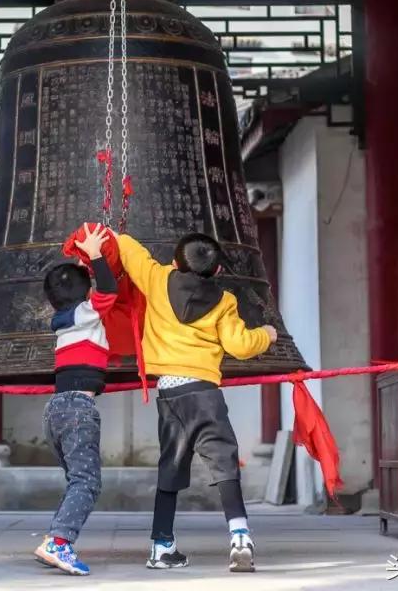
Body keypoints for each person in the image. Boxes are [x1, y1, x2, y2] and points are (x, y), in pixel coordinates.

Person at [115, 231, 278, 573]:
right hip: (204, 394)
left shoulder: (158, 278)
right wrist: (267, 334)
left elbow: (130, 251)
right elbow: (241, 345)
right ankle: (240, 537)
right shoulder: (224, 301)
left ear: (174, 263)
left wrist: (111, 234)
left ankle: (161, 547)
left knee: (170, 470)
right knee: (224, 464)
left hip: (169, 396)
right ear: (217, 272)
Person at [33, 224, 118, 576]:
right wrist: (96, 253)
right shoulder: (86, 314)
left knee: (77, 481)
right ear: (84, 297)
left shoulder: (63, 321)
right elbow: (109, 289)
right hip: (78, 410)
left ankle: (54, 540)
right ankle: (59, 543)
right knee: (87, 482)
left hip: (56, 410)